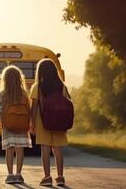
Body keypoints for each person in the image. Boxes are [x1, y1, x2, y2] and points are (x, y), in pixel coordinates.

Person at [30, 59, 70, 187]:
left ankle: (47, 177)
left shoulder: (37, 87)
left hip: (43, 121)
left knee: (45, 149)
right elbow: (67, 103)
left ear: (40, 71)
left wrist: (31, 123)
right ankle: (60, 177)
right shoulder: (61, 86)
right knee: (58, 150)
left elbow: (34, 107)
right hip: (59, 121)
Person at [0, 66, 32, 184]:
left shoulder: (2, 94)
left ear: (5, 79)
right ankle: (19, 174)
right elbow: (28, 109)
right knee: (20, 150)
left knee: (9, 150)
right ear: (19, 79)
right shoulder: (23, 93)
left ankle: (10, 175)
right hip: (22, 126)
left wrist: (1, 120)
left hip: (8, 126)